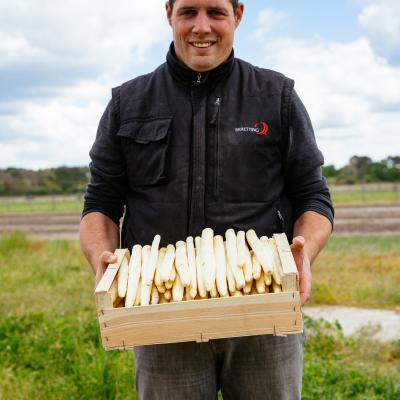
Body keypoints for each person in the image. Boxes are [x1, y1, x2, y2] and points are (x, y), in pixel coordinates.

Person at [80, 0, 334, 398]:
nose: (201, 27)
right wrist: (102, 259)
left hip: (262, 307)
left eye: (215, 12)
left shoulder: (276, 95)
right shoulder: (128, 103)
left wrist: (305, 251)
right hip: (161, 310)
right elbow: (101, 203)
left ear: (238, 15)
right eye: (188, 12)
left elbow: (313, 196)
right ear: (169, 14)